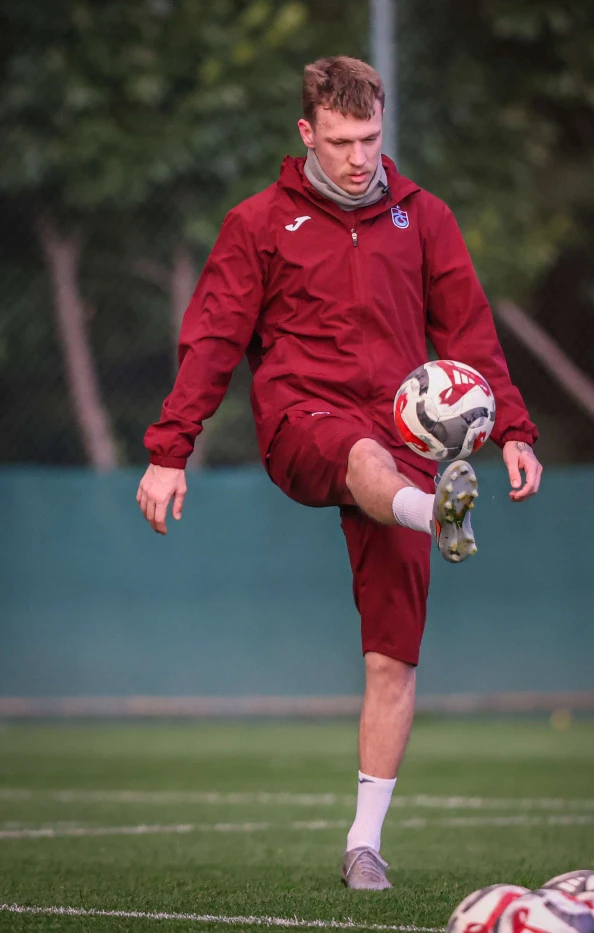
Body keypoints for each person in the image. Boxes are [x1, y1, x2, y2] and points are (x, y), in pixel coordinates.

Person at [137, 56, 542, 890]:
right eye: (341, 140)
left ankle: (365, 843)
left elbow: (469, 332)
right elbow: (213, 339)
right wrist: (171, 448)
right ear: (307, 133)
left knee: (394, 655)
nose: (360, 157)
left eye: (370, 138)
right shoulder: (257, 223)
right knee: (358, 451)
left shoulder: (424, 217)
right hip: (304, 421)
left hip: (407, 443)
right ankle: (433, 512)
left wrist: (513, 429)